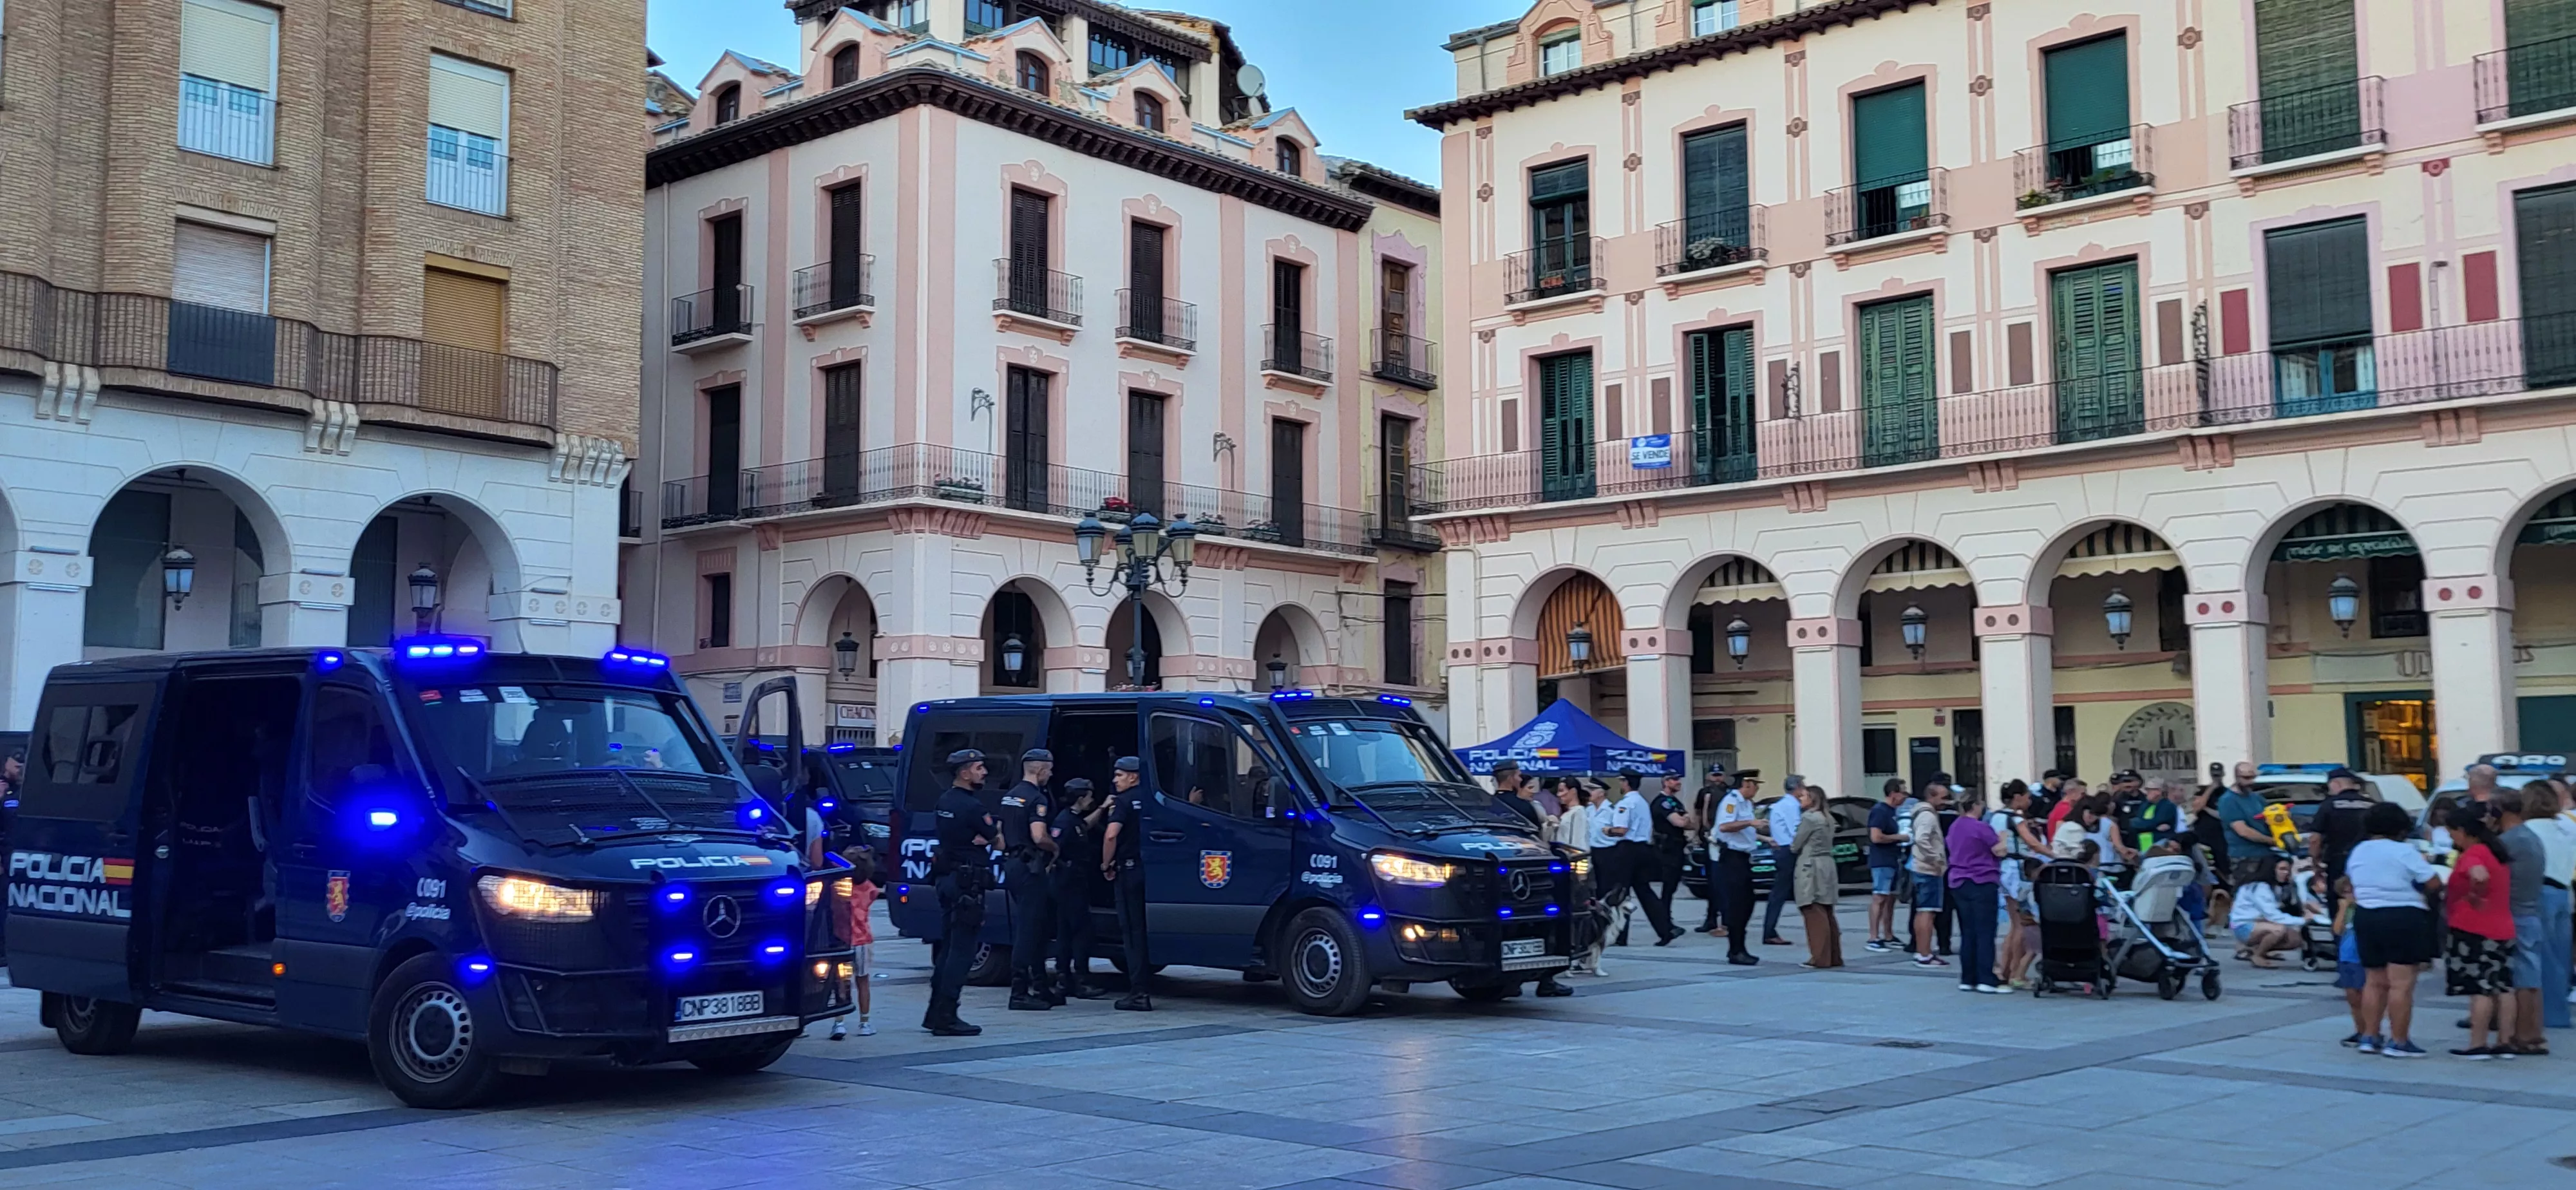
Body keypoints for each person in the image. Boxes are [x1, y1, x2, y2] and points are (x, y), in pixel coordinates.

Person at [2347, 802, 2441, 1057]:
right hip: (2402, 916)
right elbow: (2432, 881)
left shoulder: (2359, 851)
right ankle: (2399, 1041)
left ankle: (2369, 1035)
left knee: (2374, 981)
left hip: (2366, 916)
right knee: (2401, 984)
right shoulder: (2404, 851)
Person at [925, 748, 998, 1037]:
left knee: (947, 949)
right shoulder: (973, 807)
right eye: (979, 768)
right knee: (962, 952)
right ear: (964, 772)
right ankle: (947, 1016)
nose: (984, 772)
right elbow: (999, 841)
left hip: (947, 880)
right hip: (967, 885)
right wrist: (988, 837)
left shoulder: (945, 801)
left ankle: (934, 1012)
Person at [2444, 806, 2519, 1059]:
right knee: (2503, 985)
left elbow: (2479, 874)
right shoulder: (2497, 852)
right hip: (2503, 926)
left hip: (2475, 927)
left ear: (2463, 831)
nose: (2451, 838)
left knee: (2481, 987)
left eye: (2452, 832)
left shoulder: (2474, 853)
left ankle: (2478, 1043)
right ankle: (2505, 1041)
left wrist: (2475, 894)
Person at [999, 749, 1059, 1011]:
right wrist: (1055, 848)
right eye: (1050, 769)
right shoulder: (1037, 799)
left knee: (1035, 927)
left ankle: (1042, 987)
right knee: (1029, 929)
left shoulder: (1010, 796)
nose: (1052, 774)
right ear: (1040, 770)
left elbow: (1000, 836)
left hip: (1013, 864)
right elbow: (1039, 836)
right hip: (1030, 868)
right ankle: (1020, 992)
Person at [2496, 790, 2551, 1056]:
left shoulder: (2508, 842)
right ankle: (2534, 1033)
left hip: (2514, 913)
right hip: (2531, 911)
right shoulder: (2532, 837)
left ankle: (2524, 1034)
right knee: (2532, 978)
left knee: (2521, 979)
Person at [1099, 757, 1154, 1012]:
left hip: (1128, 870)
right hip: (1146, 870)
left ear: (1133, 777)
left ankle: (1138, 992)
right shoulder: (1152, 796)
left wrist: (1105, 864)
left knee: (1132, 933)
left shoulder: (1122, 802)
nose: (1115, 780)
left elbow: (1111, 835)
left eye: (1119, 775)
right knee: (1142, 930)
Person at [2519, 779, 2575, 1031]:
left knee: (2540, 957)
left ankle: (2542, 1014)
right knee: (2561, 956)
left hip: (2538, 891)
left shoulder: (2527, 830)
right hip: (2564, 891)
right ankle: (2558, 1012)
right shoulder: (2566, 827)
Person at [1050, 777, 1111, 1000]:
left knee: (1066, 933)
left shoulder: (1072, 820)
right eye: (1089, 797)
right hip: (1069, 884)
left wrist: (1103, 808)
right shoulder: (1064, 822)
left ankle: (1064, 979)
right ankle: (1080, 980)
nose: (1091, 800)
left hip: (1072, 882)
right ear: (1080, 798)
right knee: (1078, 932)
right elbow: (1055, 849)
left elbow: (1085, 826)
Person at [1611, 770, 1684, 946]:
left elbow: (1621, 830)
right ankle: (1665, 929)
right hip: (1644, 849)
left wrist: (1607, 830)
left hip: (1628, 849)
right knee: (1645, 892)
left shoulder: (1626, 804)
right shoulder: (1643, 802)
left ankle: (1620, 935)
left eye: (1622, 782)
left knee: (1621, 893)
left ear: (1626, 783)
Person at [1708, 768, 1762, 965]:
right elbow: (1725, 827)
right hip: (1731, 858)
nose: (1756, 789)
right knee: (1737, 904)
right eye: (1755, 785)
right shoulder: (1732, 801)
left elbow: (1744, 832)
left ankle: (1739, 947)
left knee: (1747, 902)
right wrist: (1751, 822)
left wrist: (1764, 836)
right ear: (1746, 784)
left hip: (1743, 857)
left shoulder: (1747, 803)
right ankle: (1736, 950)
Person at [1990, 780, 2040, 989]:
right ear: (2018, 797)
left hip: (2002, 869)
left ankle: (2006, 969)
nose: (2029, 801)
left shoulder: (1996, 817)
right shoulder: (2016, 818)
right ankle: (2014, 973)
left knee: (2013, 924)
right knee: (2022, 924)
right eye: (2027, 796)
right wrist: (2052, 854)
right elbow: (2032, 842)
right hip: (2018, 871)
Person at [2307, 769, 2375, 916]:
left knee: (2338, 902)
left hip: (2339, 861)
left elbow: (2315, 839)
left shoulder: (2329, 805)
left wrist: (2315, 863)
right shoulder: (2371, 805)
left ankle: (2340, 936)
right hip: (2369, 862)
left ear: (2336, 784)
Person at [830, 846, 880, 1039]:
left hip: (841, 940)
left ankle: (839, 1023)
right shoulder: (870, 889)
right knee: (863, 981)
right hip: (863, 940)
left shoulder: (838, 888)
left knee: (841, 982)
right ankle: (865, 1022)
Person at [1792, 784, 1842, 970]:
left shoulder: (1810, 818)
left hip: (1811, 865)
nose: (1801, 799)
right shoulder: (1828, 818)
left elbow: (1796, 844)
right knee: (1827, 910)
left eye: (1804, 796)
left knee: (1813, 910)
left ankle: (1819, 957)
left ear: (1812, 798)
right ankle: (1834, 955)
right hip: (1827, 864)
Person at [2228, 856, 2305, 967]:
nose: (2286, 873)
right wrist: (2303, 920)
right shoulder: (2260, 887)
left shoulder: (2275, 886)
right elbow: (2273, 915)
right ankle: (2258, 956)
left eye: (2288, 870)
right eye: (2282, 869)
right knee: (2279, 930)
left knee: (2295, 939)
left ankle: (2256, 950)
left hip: (2260, 923)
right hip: (2244, 926)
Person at [1907, 779, 1951, 968]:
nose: (1946, 802)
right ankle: (1925, 953)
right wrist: (1937, 859)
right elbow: (1921, 839)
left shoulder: (1922, 813)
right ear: (1931, 796)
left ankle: (1921, 951)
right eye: (1943, 798)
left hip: (1921, 867)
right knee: (1928, 912)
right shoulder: (1928, 816)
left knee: (1922, 911)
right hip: (1928, 869)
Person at [1864, 779, 1908, 952]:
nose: (1905, 796)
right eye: (1903, 792)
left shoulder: (1893, 812)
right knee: (1880, 897)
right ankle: (1874, 937)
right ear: (1893, 793)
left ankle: (1888, 934)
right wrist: (1899, 838)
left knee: (1890, 899)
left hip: (1893, 859)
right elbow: (1876, 837)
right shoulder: (1880, 811)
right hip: (1882, 860)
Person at [1763, 775, 1804, 946]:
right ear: (1797, 788)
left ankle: (1770, 929)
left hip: (1782, 849)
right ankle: (1769, 930)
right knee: (1785, 892)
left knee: (1789, 892)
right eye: (1803, 786)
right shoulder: (1791, 805)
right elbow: (1796, 830)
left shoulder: (1780, 805)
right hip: (1789, 851)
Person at [1694, 764, 1731, 934]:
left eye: (1719, 775)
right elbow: (1699, 813)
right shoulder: (1704, 792)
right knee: (1712, 883)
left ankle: (1724, 920)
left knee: (1722, 882)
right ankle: (1711, 919)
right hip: (1708, 839)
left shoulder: (1729, 793)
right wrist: (1697, 833)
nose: (1717, 778)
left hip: (1724, 840)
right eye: (1714, 775)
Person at [2130, 777, 2183, 856]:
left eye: (2150, 790)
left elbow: (2158, 821)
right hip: (2143, 845)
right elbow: (2134, 823)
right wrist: (2154, 826)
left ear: (2159, 791)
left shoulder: (2168, 806)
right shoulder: (2145, 806)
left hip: (2159, 845)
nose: (2147, 793)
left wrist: (2142, 824)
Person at [1492, 762, 1541, 827]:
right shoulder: (1523, 806)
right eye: (1519, 776)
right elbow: (1536, 829)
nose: (1520, 780)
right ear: (1511, 779)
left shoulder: (1488, 803)